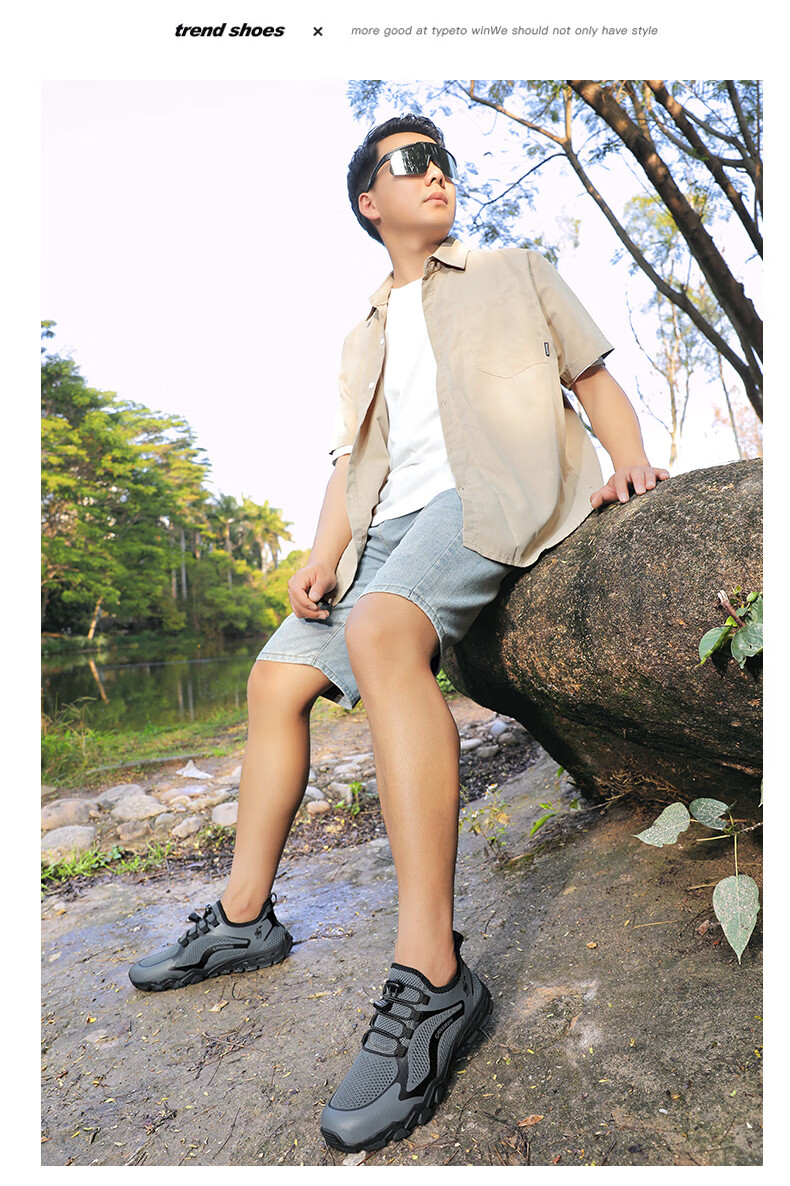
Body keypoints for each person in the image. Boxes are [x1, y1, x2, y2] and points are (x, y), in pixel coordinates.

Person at [128, 114, 669, 1153]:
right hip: (383, 526)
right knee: (272, 681)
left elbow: (592, 373)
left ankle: (431, 973)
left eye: (443, 161)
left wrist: (629, 461)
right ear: (368, 202)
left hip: (485, 494)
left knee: (383, 631)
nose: (436, 174)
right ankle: (243, 917)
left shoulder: (513, 270)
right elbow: (351, 462)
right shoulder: (364, 331)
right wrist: (320, 552)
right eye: (410, 162)